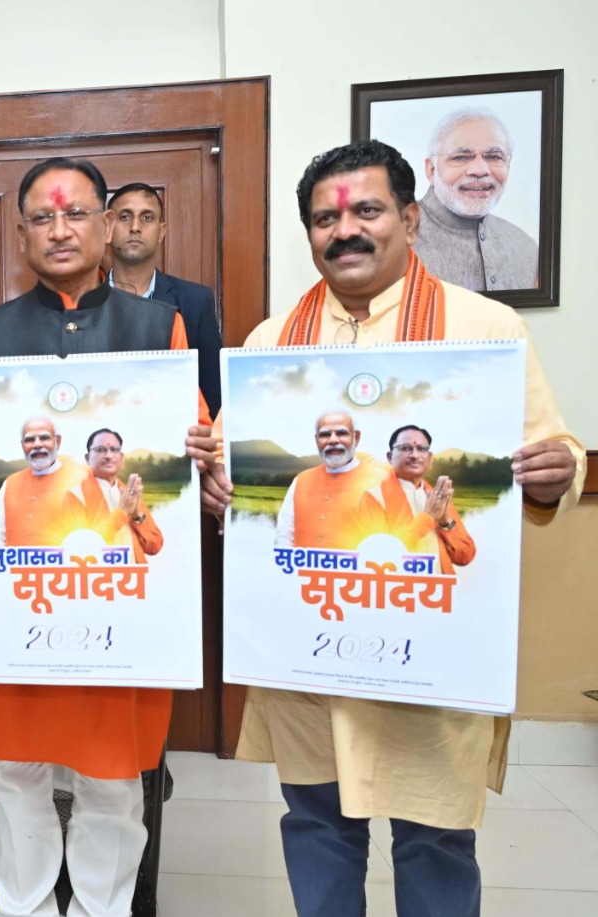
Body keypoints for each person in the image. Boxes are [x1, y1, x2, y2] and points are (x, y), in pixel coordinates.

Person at [199, 139, 584, 917]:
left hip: (426, 639)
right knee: (316, 821)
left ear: (410, 219)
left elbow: (558, 452)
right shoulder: (272, 344)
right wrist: (217, 488)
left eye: (367, 210)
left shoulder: (485, 328)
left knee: (434, 834)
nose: (345, 230)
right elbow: (238, 481)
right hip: (313, 641)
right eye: (325, 219)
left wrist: (560, 471)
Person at [0, 156, 217, 917]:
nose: (60, 230)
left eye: (76, 213)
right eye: (43, 218)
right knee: (14, 776)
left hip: (114, 599)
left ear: (107, 224)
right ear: (21, 234)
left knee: (113, 780)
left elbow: (191, 436)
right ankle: (22, 904)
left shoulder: (158, 325)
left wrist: (201, 445)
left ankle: (99, 908)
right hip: (26, 602)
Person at [105, 182, 225, 411]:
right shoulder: (84, 301)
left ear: (161, 232)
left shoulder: (195, 301)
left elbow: (213, 396)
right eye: (125, 217)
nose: (135, 227)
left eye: (147, 217)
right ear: (107, 228)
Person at [413, 108, 537, 292]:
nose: (479, 170)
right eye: (461, 157)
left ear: (508, 166)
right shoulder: (391, 241)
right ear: (431, 170)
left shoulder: (526, 248)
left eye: (494, 157)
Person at [357, 425, 475, 573]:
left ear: (429, 458)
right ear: (389, 457)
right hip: (399, 586)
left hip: (440, 586)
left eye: (421, 449)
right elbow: (376, 558)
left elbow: (465, 556)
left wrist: (445, 523)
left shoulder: (437, 498)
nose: (415, 455)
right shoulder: (374, 497)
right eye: (405, 448)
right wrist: (427, 519)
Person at [273, 410, 388, 550]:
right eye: (325, 434)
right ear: (317, 440)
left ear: (356, 438)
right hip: (301, 564)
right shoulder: (301, 480)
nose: (333, 440)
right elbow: (284, 537)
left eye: (341, 433)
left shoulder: (384, 481)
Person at [0, 418, 88, 549]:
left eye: (44, 438)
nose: (37, 445)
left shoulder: (82, 481)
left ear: (58, 441)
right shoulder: (10, 483)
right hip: (13, 562)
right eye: (29, 440)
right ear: (22, 445)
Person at [64, 428, 164, 563]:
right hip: (100, 575)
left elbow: (154, 546)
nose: (109, 455)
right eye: (100, 450)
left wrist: (137, 517)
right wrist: (122, 513)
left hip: (135, 574)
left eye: (114, 450)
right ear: (87, 458)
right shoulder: (75, 496)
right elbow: (81, 550)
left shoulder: (129, 494)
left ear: (121, 457)